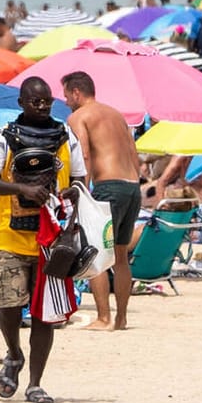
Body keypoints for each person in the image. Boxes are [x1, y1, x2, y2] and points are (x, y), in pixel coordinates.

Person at [0, 76, 83, 403]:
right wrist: (23, 189)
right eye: (35, 101)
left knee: (44, 314)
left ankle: (35, 383)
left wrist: (70, 191)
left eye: (47, 101)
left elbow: (79, 177)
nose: (42, 106)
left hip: (52, 241)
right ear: (21, 102)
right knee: (7, 305)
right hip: (11, 235)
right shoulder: (5, 138)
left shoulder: (66, 136)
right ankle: (13, 354)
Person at [61, 70, 141, 332]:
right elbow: (133, 153)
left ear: (76, 92)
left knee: (95, 251)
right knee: (120, 255)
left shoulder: (78, 117)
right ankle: (122, 318)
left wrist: (81, 192)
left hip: (108, 186)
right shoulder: (116, 115)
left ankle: (104, 318)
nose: (66, 102)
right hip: (132, 186)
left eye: (66, 96)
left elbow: (83, 154)